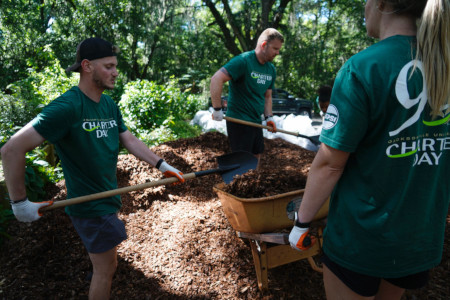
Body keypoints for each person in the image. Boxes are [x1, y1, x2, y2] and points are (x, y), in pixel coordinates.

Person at [1, 37, 185, 299]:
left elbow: (128, 138)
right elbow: (10, 149)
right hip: (89, 205)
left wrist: (161, 164)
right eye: (109, 66)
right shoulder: (68, 107)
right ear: (87, 66)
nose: (115, 71)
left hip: (106, 197)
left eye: (115, 66)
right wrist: (19, 203)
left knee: (106, 267)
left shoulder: (108, 104)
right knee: (105, 269)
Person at [288, 0, 449, 299]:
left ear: (382, 4)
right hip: (417, 237)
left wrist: (302, 222)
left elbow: (330, 164)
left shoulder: (364, 67)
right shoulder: (444, 63)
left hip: (361, 238)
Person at [210, 28, 284, 163]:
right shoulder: (243, 61)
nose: (277, 53)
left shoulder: (271, 69)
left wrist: (269, 118)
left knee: (256, 156)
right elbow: (216, 79)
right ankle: (236, 183)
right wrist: (217, 109)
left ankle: (251, 183)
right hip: (239, 121)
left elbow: (267, 97)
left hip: (256, 122)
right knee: (242, 161)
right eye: (275, 48)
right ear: (263, 45)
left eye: (278, 49)